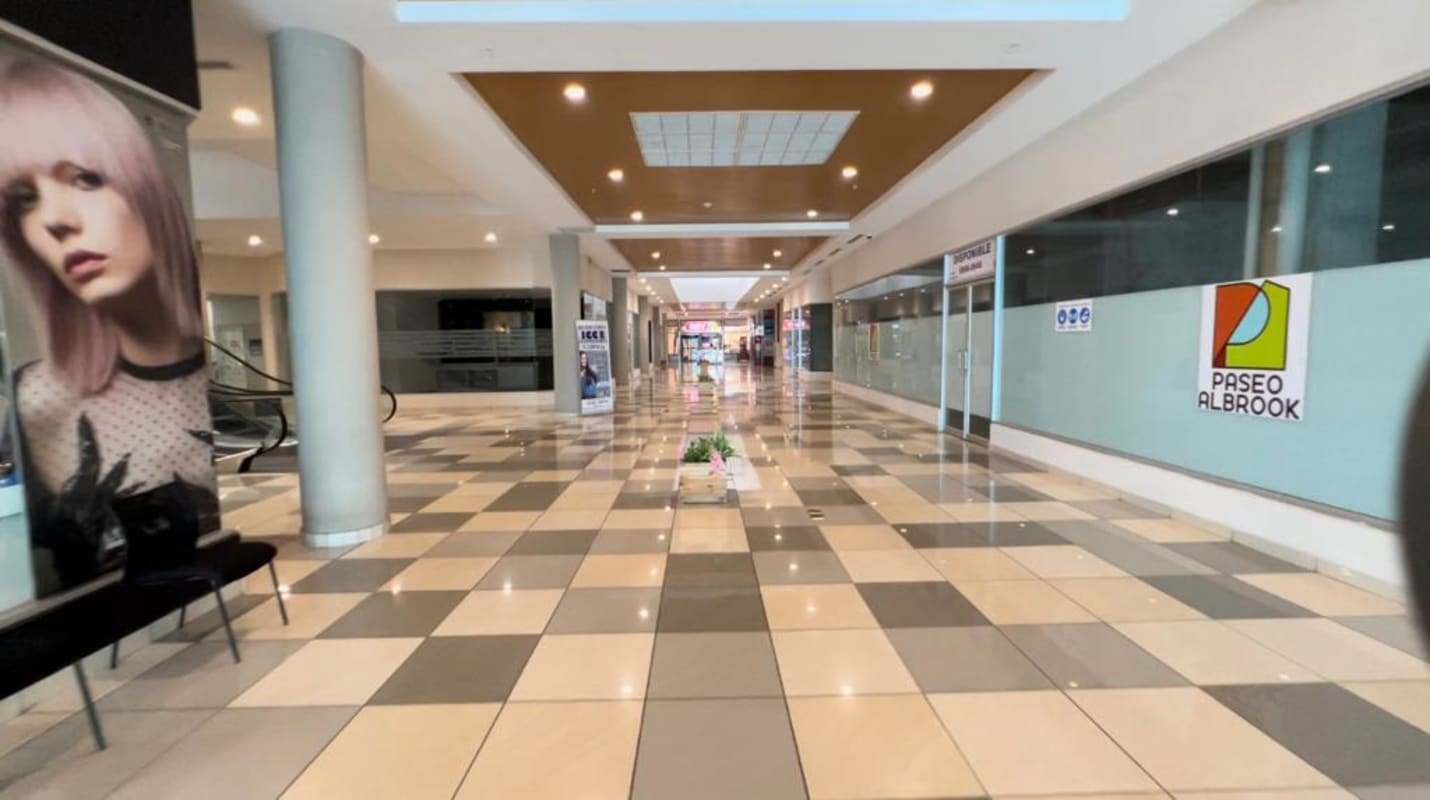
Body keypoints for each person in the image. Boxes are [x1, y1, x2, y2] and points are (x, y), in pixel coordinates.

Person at [0, 57, 217, 595]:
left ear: (143, 186)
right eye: (25, 199)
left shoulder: (200, 382)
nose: (55, 219)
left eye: (86, 178)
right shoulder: (40, 399)